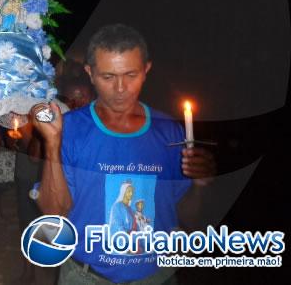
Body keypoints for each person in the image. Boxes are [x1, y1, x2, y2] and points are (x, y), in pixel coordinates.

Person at [31, 23, 216, 284]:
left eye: (131, 75)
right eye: (108, 77)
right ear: (90, 73)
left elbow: (186, 216)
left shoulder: (171, 134)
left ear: (146, 70)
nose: (120, 88)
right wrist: (51, 145)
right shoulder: (68, 129)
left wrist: (199, 184)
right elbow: (54, 215)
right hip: (85, 277)